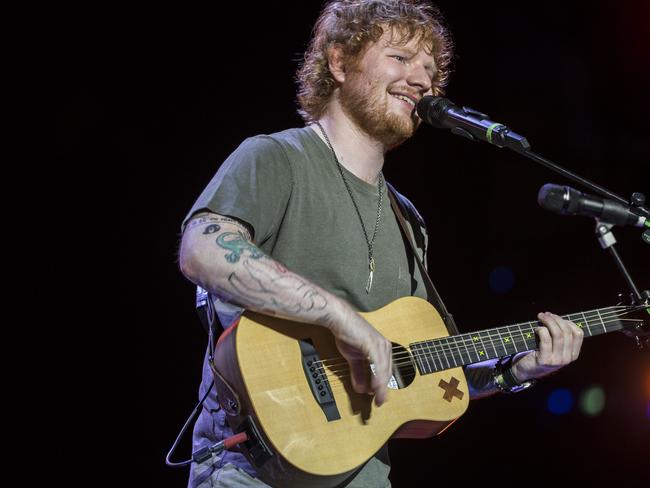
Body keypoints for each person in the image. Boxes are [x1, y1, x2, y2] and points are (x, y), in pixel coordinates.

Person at [178, 1, 585, 486]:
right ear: (338, 62)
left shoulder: (407, 221)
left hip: (362, 473)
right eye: (400, 58)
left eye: (431, 70)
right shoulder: (276, 157)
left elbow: (427, 372)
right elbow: (202, 248)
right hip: (251, 469)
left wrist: (516, 370)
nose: (422, 82)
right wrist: (338, 316)